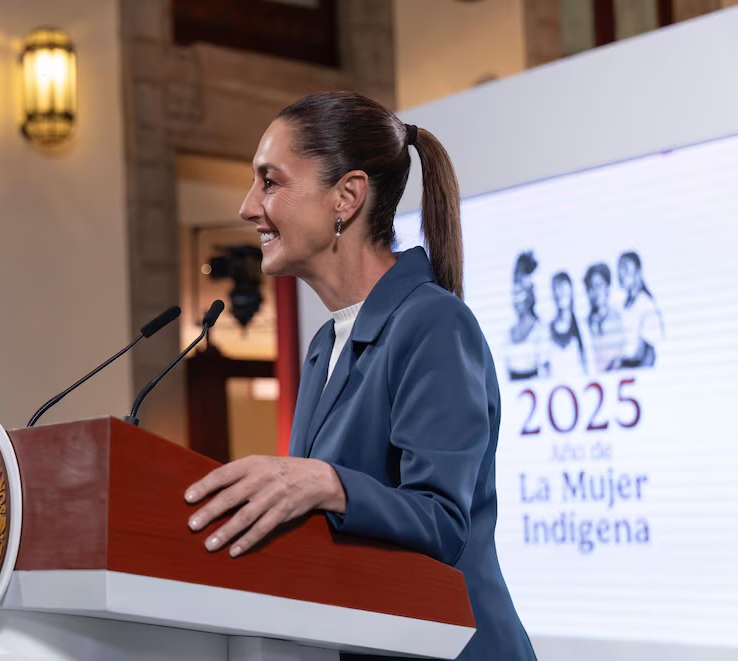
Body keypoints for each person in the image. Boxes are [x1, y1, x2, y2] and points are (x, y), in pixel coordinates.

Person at [183, 92, 536, 660]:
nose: (248, 207)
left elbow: (444, 522)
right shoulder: (324, 346)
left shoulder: (434, 322)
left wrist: (329, 484)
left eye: (269, 182)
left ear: (346, 196)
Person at [505, 252, 549, 380]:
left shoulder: (541, 332)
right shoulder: (507, 334)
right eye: (516, 287)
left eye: (523, 289)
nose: (518, 295)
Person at [617, 251, 663, 368]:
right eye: (620, 269)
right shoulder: (623, 305)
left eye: (626, 269)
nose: (621, 274)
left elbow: (649, 351)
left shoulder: (646, 304)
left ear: (637, 272)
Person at [583, 262, 624, 372]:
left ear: (607, 287)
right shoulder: (584, 324)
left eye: (599, 285)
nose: (595, 292)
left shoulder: (618, 320)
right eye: (591, 287)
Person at [545, 271, 587, 375]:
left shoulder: (582, 326)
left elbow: (588, 361)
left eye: (564, 290)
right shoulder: (547, 330)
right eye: (557, 289)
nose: (561, 294)